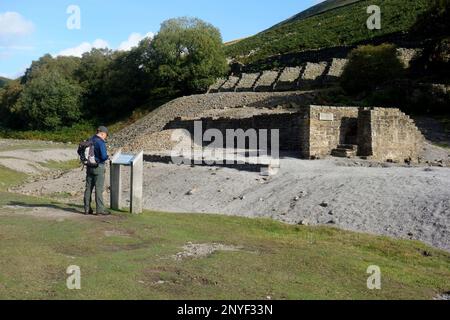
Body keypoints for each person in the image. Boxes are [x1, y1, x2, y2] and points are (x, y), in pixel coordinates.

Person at [84, 126, 110, 215]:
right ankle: (100, 210)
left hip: (89, 166)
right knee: (99, 189)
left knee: (88, 188)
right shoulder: (101, 142)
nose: (105, 137)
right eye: (106, 135)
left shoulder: (90, 139)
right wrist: (107, 156)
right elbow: (103, 156)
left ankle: (87, 209)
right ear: (102, 133)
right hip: (98, 167)